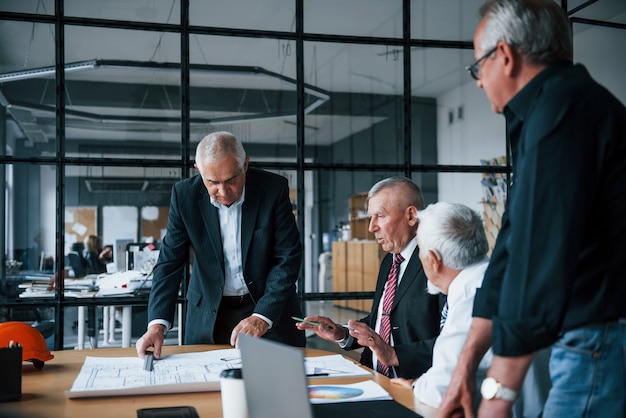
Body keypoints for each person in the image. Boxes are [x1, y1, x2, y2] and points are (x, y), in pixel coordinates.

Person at [438, 1, 626, 417]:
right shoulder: (551, 111)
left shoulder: (564, 111)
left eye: (477, 68)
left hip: (600, 339)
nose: (478, 82)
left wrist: (498, 393)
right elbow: (508, 252)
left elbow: (535, 259)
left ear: (505, 56)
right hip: (591, 341)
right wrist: (464, 368)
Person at [136, 131, 305, 360]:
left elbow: (287, 257)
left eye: (231, 180)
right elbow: (170, 263)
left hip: (267, 307)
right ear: (198, 170)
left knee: (278, 386)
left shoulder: (273, 189)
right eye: (212, 182)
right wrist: (156, 324)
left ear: (245, 165)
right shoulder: (184, 195)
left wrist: (262, 316)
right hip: (208, 312)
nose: (223, 192)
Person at [296, 177, 443, 379]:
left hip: (414, 386)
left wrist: (393, 355)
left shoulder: (437, 264)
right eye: (370, 217)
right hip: (373, 378)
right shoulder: (390, 261)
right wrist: (343, 333)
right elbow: (383, 320)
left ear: (411, 215)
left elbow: (454, 341)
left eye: (380, 216)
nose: (371, 227)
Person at [392, 202, 491, 411]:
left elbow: (443, 388)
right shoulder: (487, 278)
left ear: (434, 260)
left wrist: (416, 386)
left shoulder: (469, 295)